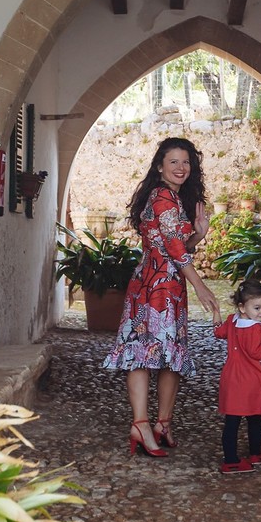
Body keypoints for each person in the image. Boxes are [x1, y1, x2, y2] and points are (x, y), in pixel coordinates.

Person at [102, 137, 221, 457]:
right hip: (154, 290)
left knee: (171, 355)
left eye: (186, 162)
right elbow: (175, 251)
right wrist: (200, 285)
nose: (182, 167)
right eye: (174, 162)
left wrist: (199, 232)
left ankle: (162, 424)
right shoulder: (164, 199)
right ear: (160, 167)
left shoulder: (172, 198)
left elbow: (176, 246)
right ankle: (141, 424)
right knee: (143, 353)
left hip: (166, 286)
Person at [213, 277, 261, 476]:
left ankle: (233, 458)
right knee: (254, 418)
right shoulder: (253, 328)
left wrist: (216, 314)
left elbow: (218, 333)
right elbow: (257, 351)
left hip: (231, 378)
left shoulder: (232, 321)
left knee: (232, 421)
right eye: (258, 308)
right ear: (243, 308)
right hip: (250, 380)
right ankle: (249, 455)